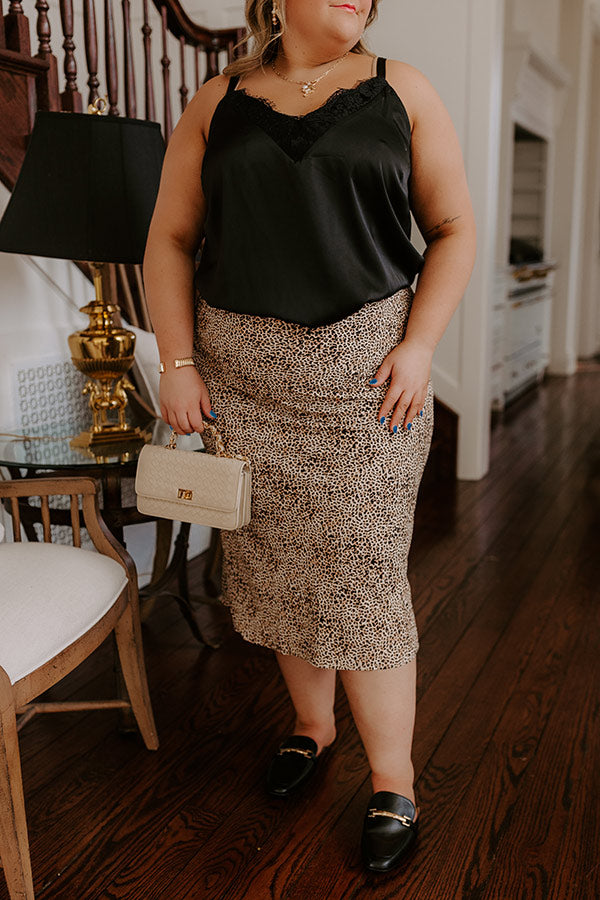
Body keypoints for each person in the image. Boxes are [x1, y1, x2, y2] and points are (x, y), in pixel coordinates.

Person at [142, 0, 476, 874]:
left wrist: (420, 346)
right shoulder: (218, 101)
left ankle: (394, 780)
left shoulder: (403, 91)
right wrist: (176, 361)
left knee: (362, 571)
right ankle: (313, 726)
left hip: (369, 382)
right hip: (243, 380)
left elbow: (453, 230)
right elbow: (172, 238)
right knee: (276, 563)